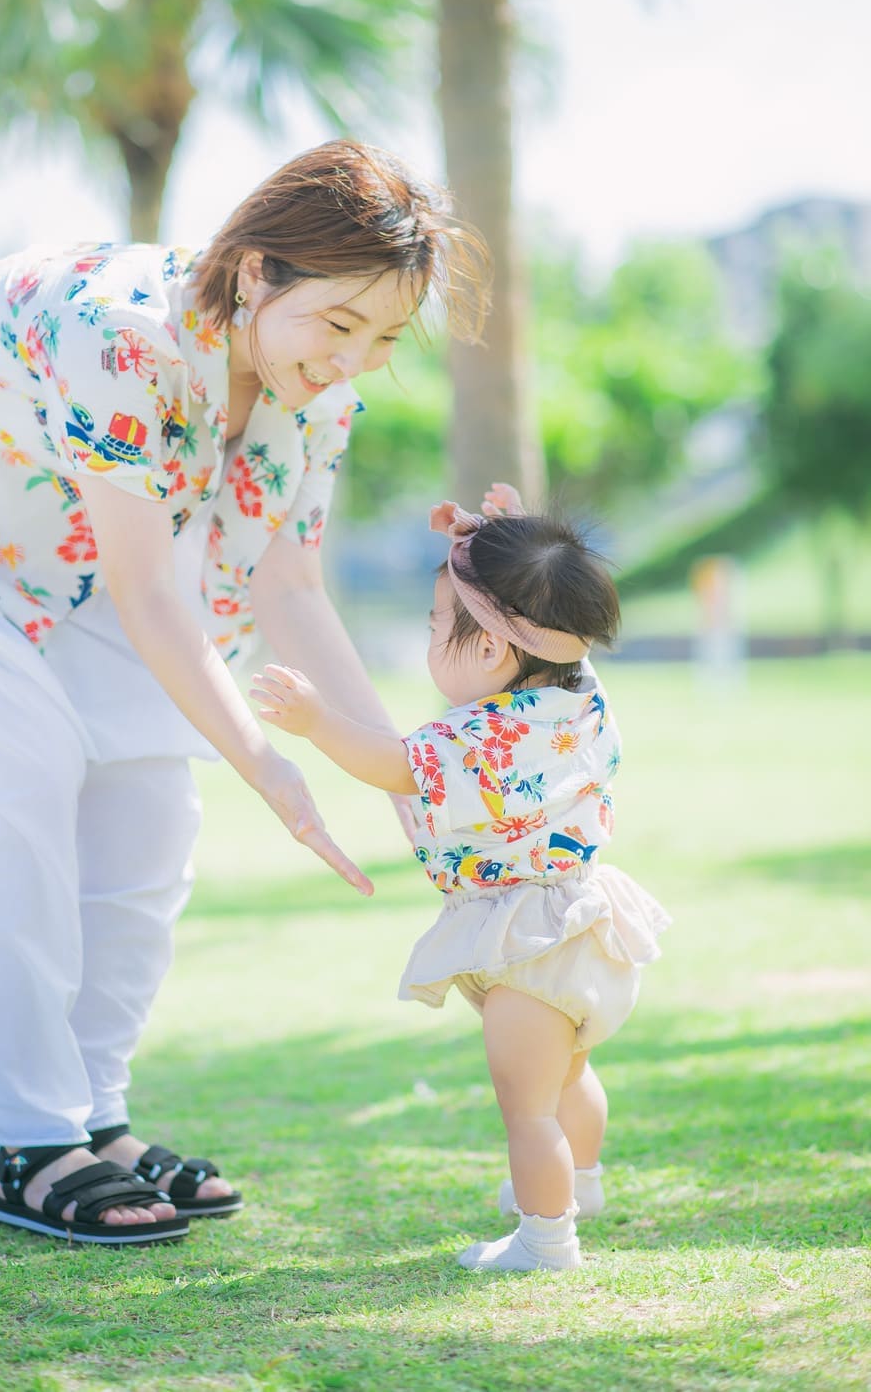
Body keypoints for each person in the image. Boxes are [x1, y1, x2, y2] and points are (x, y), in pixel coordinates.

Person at [0, 140, 490, 1246]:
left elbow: (290, 582)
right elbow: (156, 597)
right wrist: (271, 765)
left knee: (151, 813)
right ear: (254, 273)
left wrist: (407, 776)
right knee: (12, 780)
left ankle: (95, 1118)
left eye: (385, 338)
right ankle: (33, 1139)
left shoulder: (314, 391)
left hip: (58, 559)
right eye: (338, 324)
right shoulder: (127, 338)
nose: (354, 359)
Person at [252, 483, 670, 1273]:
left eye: (438, 626)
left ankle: (546, 1241)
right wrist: (493, 538)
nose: (431, 638)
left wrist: (315, 721)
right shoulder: (579, 695)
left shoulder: (478, 738)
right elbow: (542, 615)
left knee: (526, 1111)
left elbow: (393, 764)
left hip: (525, 942)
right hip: (584, 920)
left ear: (488, 650)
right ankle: (580, 1182)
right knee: (571, 1075)